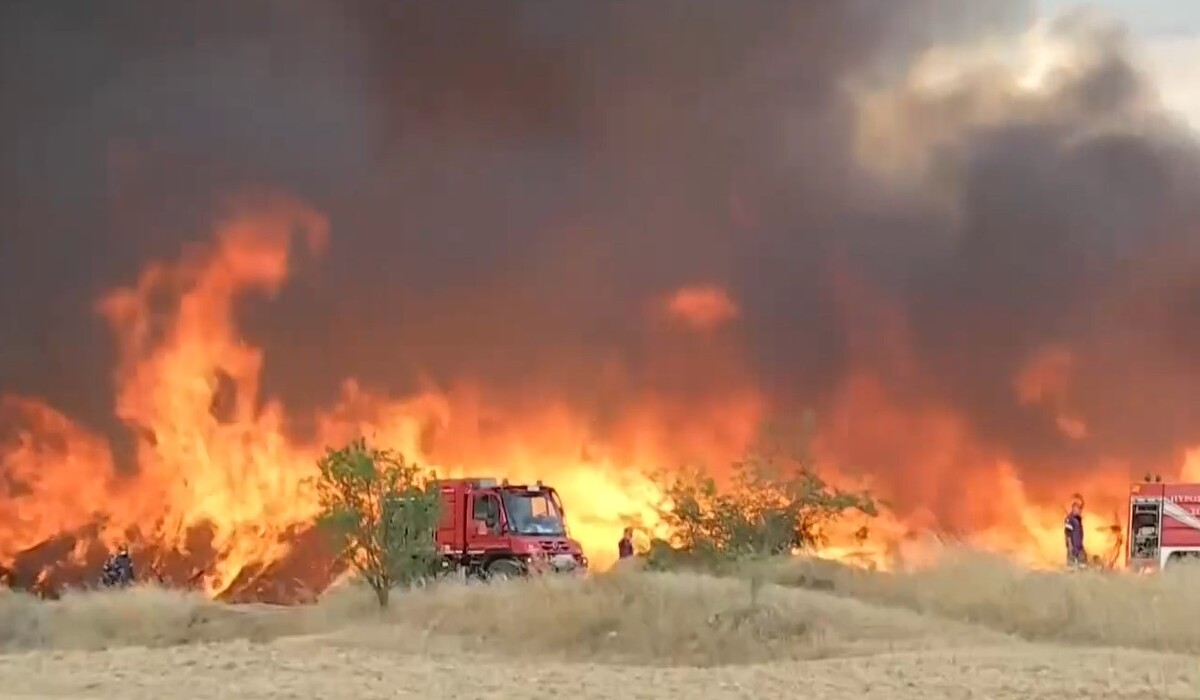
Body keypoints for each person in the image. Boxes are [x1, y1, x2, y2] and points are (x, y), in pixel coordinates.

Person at [1064, 496, 1086, 569]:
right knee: (1071, 565)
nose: (1079, 511)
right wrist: (1070, 545)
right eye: (1077, 509)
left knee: (1082, 563)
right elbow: (1067, 533)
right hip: (1073, 545)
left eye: (1079, 509)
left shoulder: (1078, 519)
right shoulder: (1070, 519)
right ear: (1073, 509)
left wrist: (1080, 498)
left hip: (1079, 545)